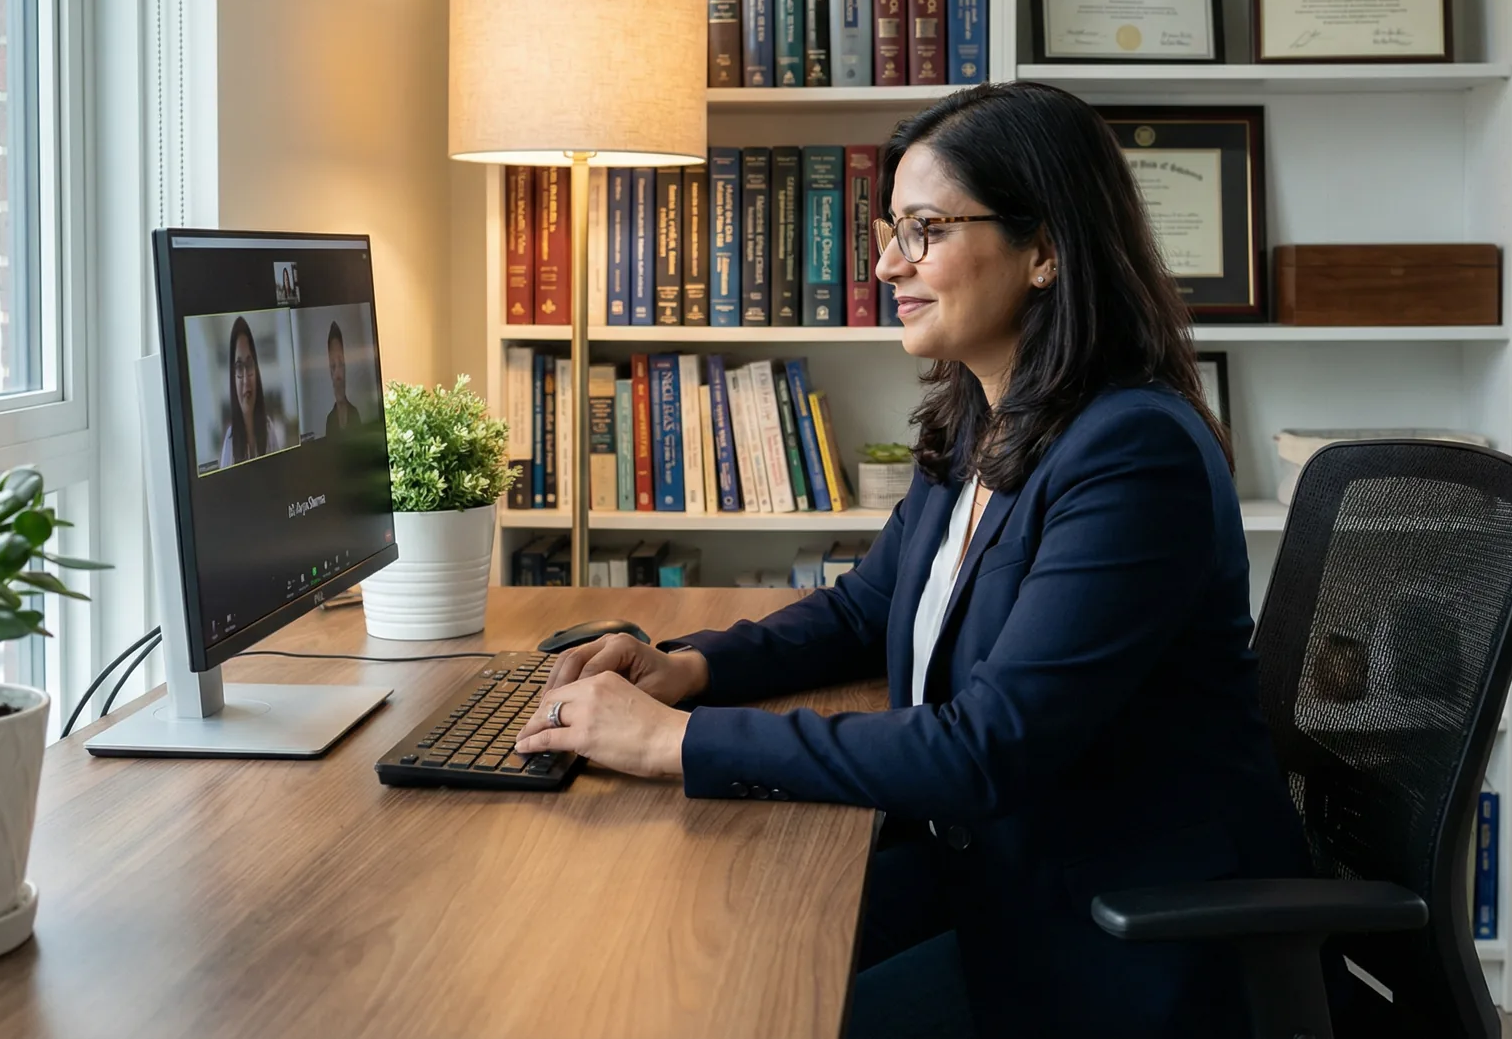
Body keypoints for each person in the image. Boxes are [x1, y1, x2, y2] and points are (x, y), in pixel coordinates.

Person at [514, 83, 1308, 1038]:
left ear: (1047, 249)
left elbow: (988, 746)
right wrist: (690, 666)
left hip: (1109, 938)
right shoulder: (988, 410)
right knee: (680, 959)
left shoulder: (1134, 454)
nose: (889, 261)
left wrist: (668, 741)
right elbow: (862, 609)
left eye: (924, 229)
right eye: (891, 228)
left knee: (737, 1003)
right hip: (986, 868)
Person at [219, 316, 285, 465]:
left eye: (249, 365)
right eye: (239, 367)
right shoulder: (230, 441)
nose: (246, 380)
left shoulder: (269, 430)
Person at [322, 321, 361, 433]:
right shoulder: (330, 421)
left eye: (341, 364)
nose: (338, 375)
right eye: (333, 366)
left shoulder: (355, 414)